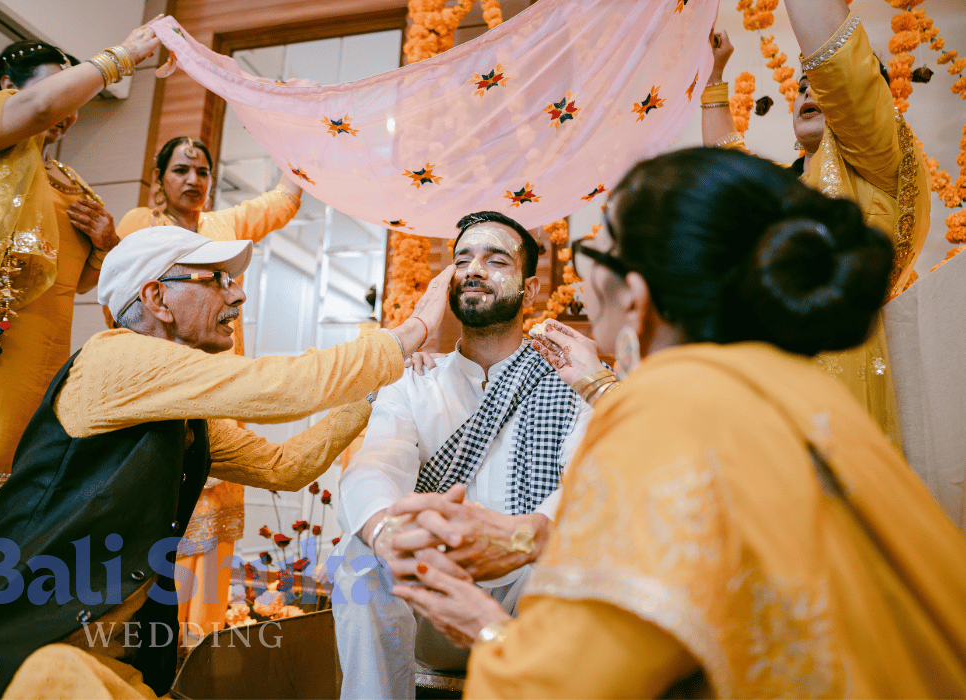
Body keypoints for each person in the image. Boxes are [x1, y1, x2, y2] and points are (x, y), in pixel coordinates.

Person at [392, 147, 966, 698]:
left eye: (594, 256)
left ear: (636, 300)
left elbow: (562, 688)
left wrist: (484, 629)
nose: (583, 285)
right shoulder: (804, 390)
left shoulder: (666, 407)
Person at [0, 226, 454, 700]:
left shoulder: (175, 407)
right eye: (217, 279)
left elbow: (282, 467)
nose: (238, 293)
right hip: (4, 651)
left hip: (91, 656)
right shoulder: (113, 359)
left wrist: (373, 396)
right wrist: (413, 330)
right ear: (157, 298)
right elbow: (286, 386)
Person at [0, 27, 162, 609]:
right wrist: (126, 55)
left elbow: (77, 280)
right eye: (61, 92)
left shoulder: (70, 183)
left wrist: (107, 241)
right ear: (8, 87)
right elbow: (37, 109)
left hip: (37, 369)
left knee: (12, 493)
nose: (70, 113)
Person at [331, 211, 593, 699]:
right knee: (360, 559)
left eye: (497, 260)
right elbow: (378, 463)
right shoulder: (415, 380)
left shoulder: (568, 384)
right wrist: (387, 535)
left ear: (530, 291)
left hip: (529, 590)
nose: (474, 270)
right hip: (428, 591)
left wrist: (524, 538)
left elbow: (588, 484)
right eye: (463, 260)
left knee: (576, 556)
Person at [702, 0, 930, 449]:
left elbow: (843, 72)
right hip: (764, 379)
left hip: (840, 375)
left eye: (821, 86)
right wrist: (714, 75)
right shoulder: (785, 192)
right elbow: (726, 172)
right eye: (801, 88)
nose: (810, 92)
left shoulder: (881, 164)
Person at [114, 135, 304, 645]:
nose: (194, 180)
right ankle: (151, 650)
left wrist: (299, 139)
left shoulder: (223, 227)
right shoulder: (141, 225)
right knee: (161, 525)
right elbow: (119, 307)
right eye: (181, 169)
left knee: (214, 525)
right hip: (162, 396)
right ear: (160, 179)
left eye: (202, 171)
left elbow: (283, 202)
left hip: (220, 399)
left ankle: (202, 648)